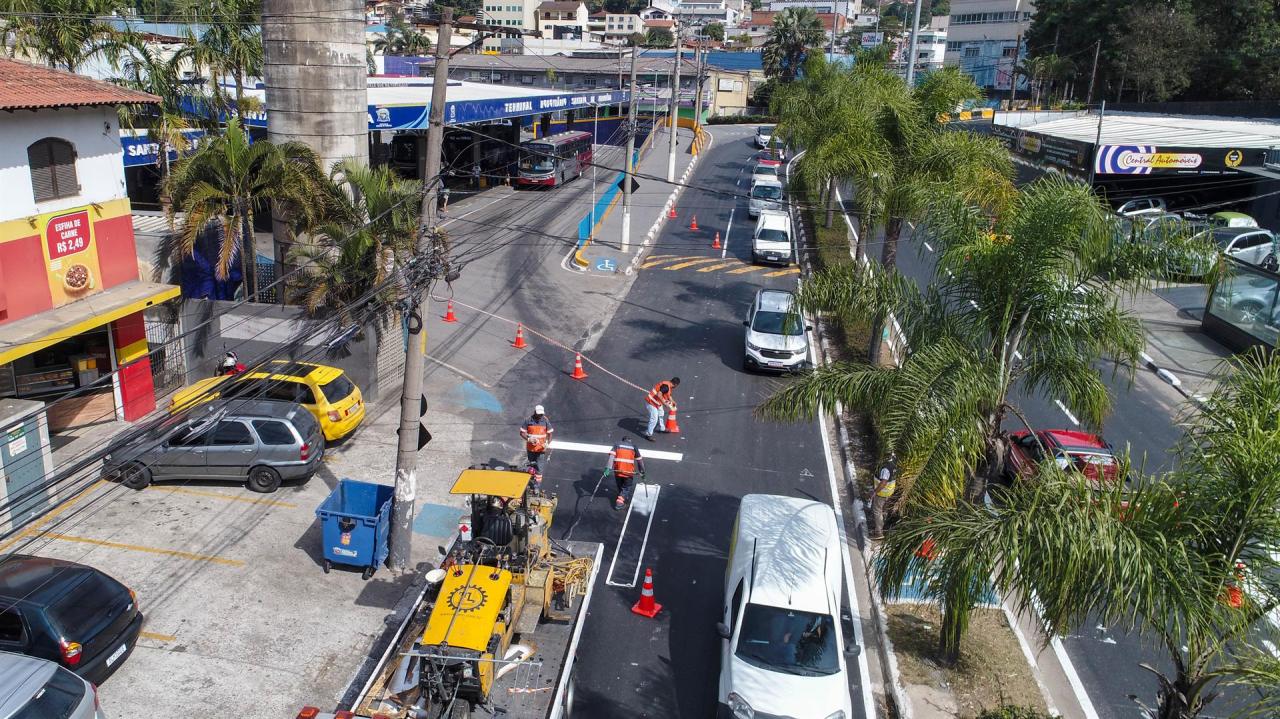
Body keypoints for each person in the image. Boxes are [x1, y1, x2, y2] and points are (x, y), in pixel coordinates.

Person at [607, 437, 645, 510]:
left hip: (617, 471)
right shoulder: (634, 446)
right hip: (628, 472)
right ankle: (619, 502)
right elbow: (639, 461)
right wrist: (642, 472)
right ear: (630, 441)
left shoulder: (617, 444)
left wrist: (608, 468)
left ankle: (622, 494)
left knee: (620, 484)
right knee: (627, 487)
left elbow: (611, 457)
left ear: (623, 440)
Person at [869, 452, 898, 539]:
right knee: (883, 510)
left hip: (882, 493)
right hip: (889, 492)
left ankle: (878, 532)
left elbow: (883, 483)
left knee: (877, 510)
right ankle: (882, 527)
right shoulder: (893, 464)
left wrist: (875, 492)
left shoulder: (885, 468)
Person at [642, 377, 680, 441]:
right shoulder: (666, 387)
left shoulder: (668, 385)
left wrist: (672, 401)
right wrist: (665, 404)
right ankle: (648, 434)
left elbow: (669, 395)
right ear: (676, 384)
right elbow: (659, 394)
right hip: (651, 403)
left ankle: (662, 428)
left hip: (657, 402)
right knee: (654, 419)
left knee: (661, 413)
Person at [520, 405, 553, 472]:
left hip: (541, 450)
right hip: (531, 449)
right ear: (535, 412)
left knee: (539, 468)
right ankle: (531, 480)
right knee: (531, 467)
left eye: (541, 414)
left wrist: (547, 444)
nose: (540, 416)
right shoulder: (528, 420)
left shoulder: (545, 420)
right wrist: (529, 439)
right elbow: (522, 433)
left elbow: (550, 434)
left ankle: (537, 482)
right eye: (539, 414)